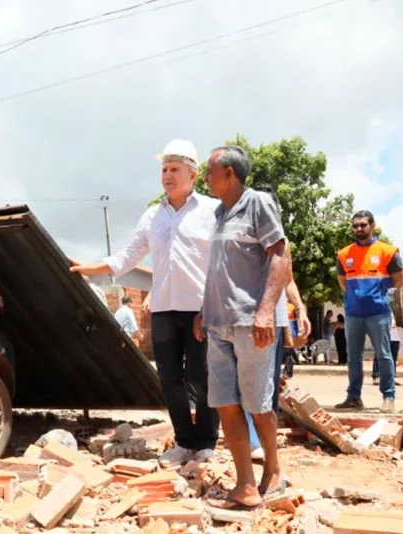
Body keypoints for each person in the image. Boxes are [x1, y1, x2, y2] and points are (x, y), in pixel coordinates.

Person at [71, 139, 220, 467]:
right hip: (164, 309)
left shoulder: (211, 211)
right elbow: (128, 256)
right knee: (169, 378)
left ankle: (206, 442)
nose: (167, 175)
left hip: (200, 310)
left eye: (174, 169)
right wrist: (92, 268)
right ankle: (184, 442)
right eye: (164, 169)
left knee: (203, 377)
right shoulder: (153, 215)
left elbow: (224, 260)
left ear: (193, 174)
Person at [195, 145, 289, 509]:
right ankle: (246, 485)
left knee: (257, 404)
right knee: (226, 404)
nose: (206, 178)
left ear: (230, 173)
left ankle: (274, 471)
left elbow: (280, 255)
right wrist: (204, 310)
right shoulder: (220, 213)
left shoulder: (257, 203)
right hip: (218, 325)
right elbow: (219, 270)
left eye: (210, 171)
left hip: (251, 324)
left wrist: (266, 311)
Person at [242, 186, 309, 462]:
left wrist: (301, 309)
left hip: (276, 319)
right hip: (247, 318)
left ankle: (265, 443)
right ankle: (251, 440)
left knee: (269, 382)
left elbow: (288, 279)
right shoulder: (240, 238)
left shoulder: (283, 241)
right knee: (246, 379)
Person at [334, 210, 403, 412]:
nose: (359, 229)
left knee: (384, 355)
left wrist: (386, 303)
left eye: (363, 225)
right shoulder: (344, 254)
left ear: (372, 226)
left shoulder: (388, 252)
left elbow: (399, 282)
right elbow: (343, 283)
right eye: (355, 225)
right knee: (353, 356)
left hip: (379, 313)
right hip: (353, 314)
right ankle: (353, 397)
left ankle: (388, 397)